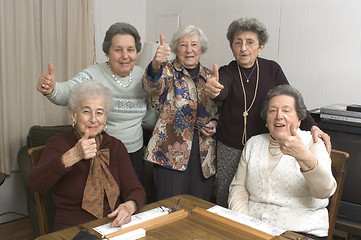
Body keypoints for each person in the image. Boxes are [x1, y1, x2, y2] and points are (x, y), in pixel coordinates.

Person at [204, 17, 331, 207]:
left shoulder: (272, 69)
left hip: (262, 147)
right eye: (238, 43)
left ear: (261, 47)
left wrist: (312, 126)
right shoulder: (227, 71)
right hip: (230, 147)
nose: (243, 48)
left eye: (250, 42)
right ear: (231, 47)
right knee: (228, 194)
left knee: (260, 195)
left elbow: (292, 101)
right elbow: (222, 89)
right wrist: (215, 88)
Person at [36, 22, 158, 185]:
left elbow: (149, 116)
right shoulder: (94, 73)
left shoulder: (143, 76)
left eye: (130, 49)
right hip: (103, 152)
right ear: (107, 52)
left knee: (134, 202)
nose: (125, 55)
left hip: (134, 155)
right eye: (118, 49)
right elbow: (68, 92)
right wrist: (52, 88)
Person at [29, 80, 145, 231]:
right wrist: (73, 155)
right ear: (74, 115)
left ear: (105, 117)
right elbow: (36, 183)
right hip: (74, 228)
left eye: (99, 112)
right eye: (86, 111)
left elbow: (136, 190)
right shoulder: (58, 144)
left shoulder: (116, 146)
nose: (93, 119)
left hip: (114, 225)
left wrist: (129, 207)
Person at [228, 85, 336, 239]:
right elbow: (239, 188)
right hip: (254, 230)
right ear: (266, 118)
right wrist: (244, 225)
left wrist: (303, 155)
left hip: (300, 232)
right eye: (272, 111)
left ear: (299, 118)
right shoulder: (253, 143)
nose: (279, 116)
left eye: (286, 110)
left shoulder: (313, 142)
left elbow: (325, 191)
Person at [142, 25, 218, 201]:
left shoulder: (210, 76)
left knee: (199, 212)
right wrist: (155, 64)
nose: (189, 50)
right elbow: (151, 86)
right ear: (176, 48)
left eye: (194, 44)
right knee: (168, 210)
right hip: (169, 157)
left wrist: (215, 123)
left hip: (203, 160)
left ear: (202, 48)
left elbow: (218, 111)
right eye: (183, 45)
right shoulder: (166, 71)